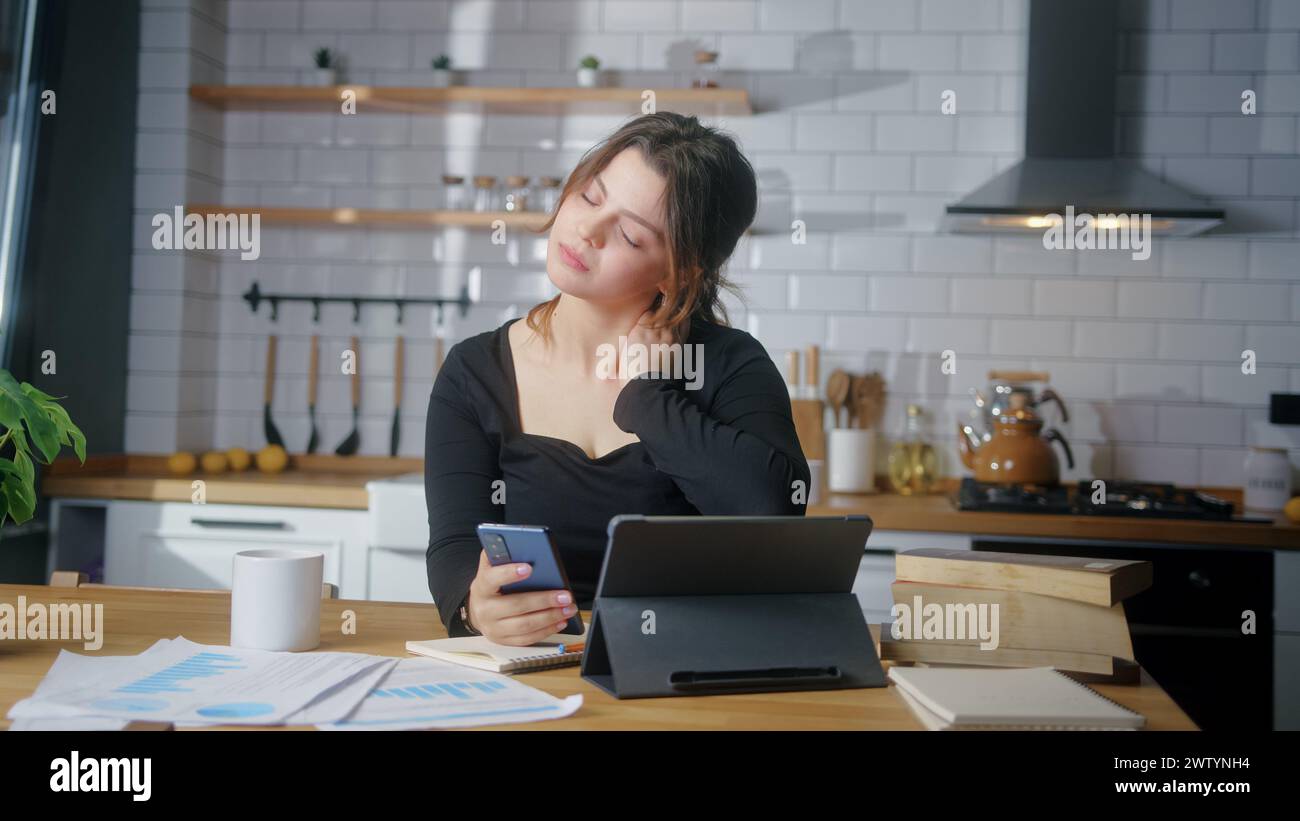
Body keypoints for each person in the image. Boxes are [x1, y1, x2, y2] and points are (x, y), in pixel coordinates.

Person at [425, 112, 810, 645]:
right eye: (590, 196)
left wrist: (648, 396)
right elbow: (454, 547)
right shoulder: (475, 372)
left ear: (681, 271)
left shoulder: (729, 365)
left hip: (686, 668)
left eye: (628, 234)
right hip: (536, 674)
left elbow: (776, 512)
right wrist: (475, 607)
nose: (587, 231)